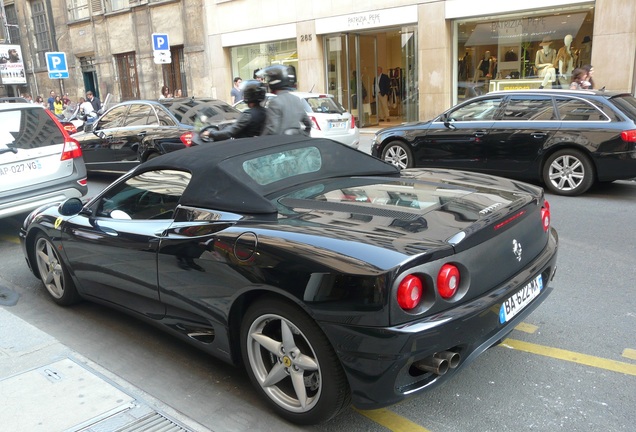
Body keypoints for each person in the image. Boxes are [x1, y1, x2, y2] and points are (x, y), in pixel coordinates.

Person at [199, 80, 267, 142]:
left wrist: (210, 133)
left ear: (248, 95)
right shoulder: (267, 112)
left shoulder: (248, 115)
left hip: (245, 148)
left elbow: (229, 132)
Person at [258, 65, 312, 136]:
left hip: (280, 143)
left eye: (269, 79)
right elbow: (308, 124)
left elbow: (271, 130)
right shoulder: (296, 99)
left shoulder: (275, 102)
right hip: (295, 143)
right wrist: (302, 136)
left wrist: (260, 141)